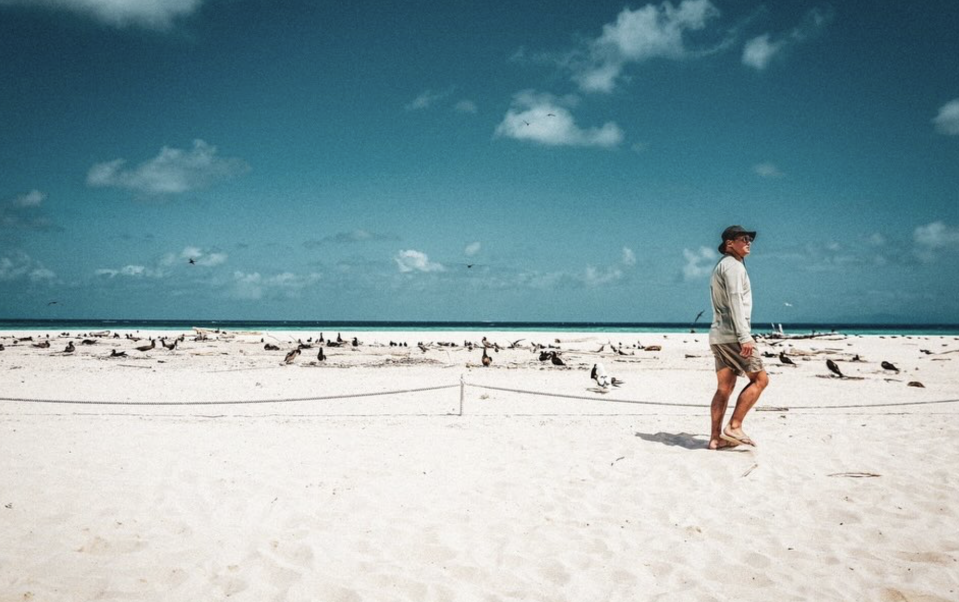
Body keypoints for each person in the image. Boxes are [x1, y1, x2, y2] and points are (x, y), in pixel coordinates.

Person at [708, 225, 769, 450]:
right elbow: (735, 300)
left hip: (718, 335)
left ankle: (715, 438)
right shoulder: (733, 267)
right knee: (761, 380)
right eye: (744, 238)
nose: (749, 241)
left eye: (750, 238)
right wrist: (744, 336)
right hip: (734, 335)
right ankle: (734, 425)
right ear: (729, 244)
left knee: (724, 387)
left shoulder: (722, 267)